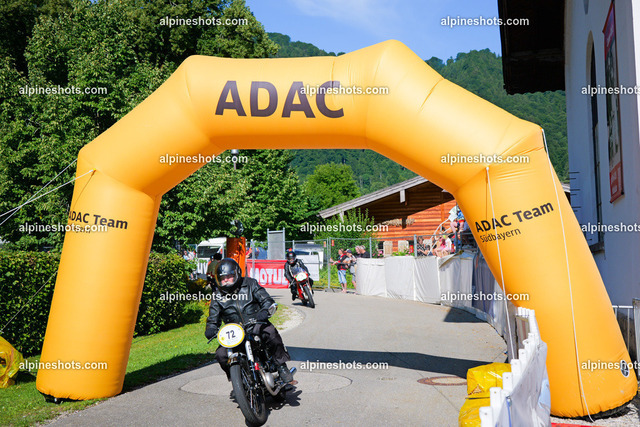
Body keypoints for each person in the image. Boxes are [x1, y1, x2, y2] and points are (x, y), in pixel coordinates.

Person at [205, 258, 294, 383]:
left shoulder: (250, 284)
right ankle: (239, 380)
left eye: (229, 276)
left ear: (236, 274)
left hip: (256, 325)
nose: (226, 280)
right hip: (235, 335)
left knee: (271, 333)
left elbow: (267, 300)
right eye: (223, 278)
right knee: (221, 354)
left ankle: (281, 366)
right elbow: (213, 318)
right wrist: (211, 328)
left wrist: (264, 311)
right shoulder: (217, 296)